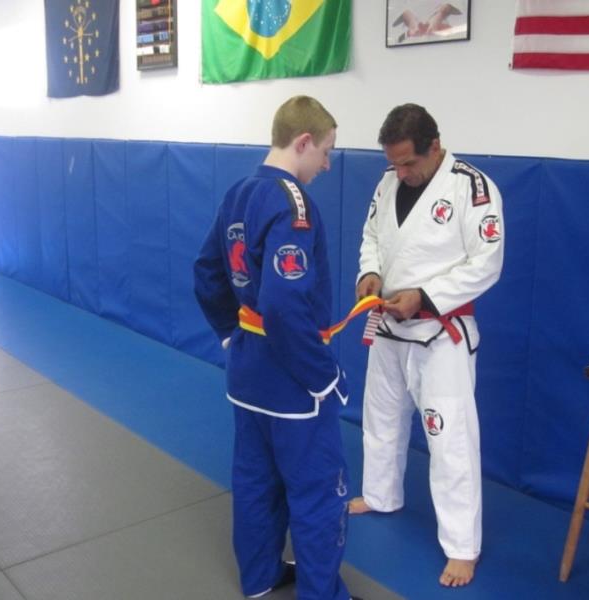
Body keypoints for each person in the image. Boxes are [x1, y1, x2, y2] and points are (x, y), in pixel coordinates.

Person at [194, 96, 358, 600]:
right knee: (317, 490)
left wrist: (232, 333)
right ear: (303, 142)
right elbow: (284, 305)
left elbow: (207, 272)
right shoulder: (293, 204)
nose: (327, 165)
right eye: (326, 152)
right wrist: (322, 375)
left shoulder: (239, 192)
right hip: (291, 381)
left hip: (247, 371)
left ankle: (260, 579)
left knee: (256, 481)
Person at [349, 103, 504, 588]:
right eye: (393, 163)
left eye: (408, 162)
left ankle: (462, 547)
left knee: (449, 439)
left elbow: (487, 263)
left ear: (434, 147)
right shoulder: (387, 182)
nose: (400, 172)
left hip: (441, 333)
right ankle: (380, 494)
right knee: (380, 418)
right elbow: (371, 236)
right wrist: (370, 273)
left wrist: (426, 297)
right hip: (388, 326)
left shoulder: (472, 189)